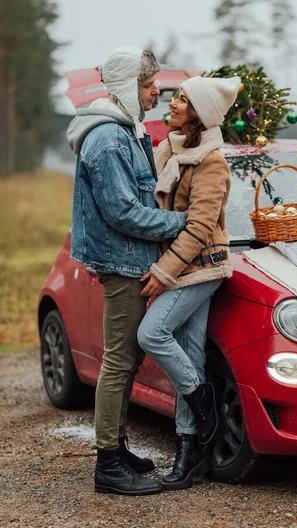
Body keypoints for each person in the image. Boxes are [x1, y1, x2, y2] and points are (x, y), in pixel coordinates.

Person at [66, 46, 187, 497]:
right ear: (124, 88)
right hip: (123, 263)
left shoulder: (126, 130)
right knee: (118, 362)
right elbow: (124, 212)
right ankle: (108, 465)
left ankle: (118, 447)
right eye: (146, 84)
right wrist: (183, 222)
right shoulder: (110, 140)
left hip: (130, 259)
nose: (156, 90)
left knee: (127, 358)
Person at [137, 74, 241, 490]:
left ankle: (204, 404)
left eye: (182, 99)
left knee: (152, 333)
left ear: (199, 114)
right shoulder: (170, 150)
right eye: (176, 97)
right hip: (182, 266)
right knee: (191, 351)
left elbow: (199, 227)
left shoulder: (211, 163)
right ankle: (190, 449)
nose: (172, 103)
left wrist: (163, 274)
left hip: (203, 269)